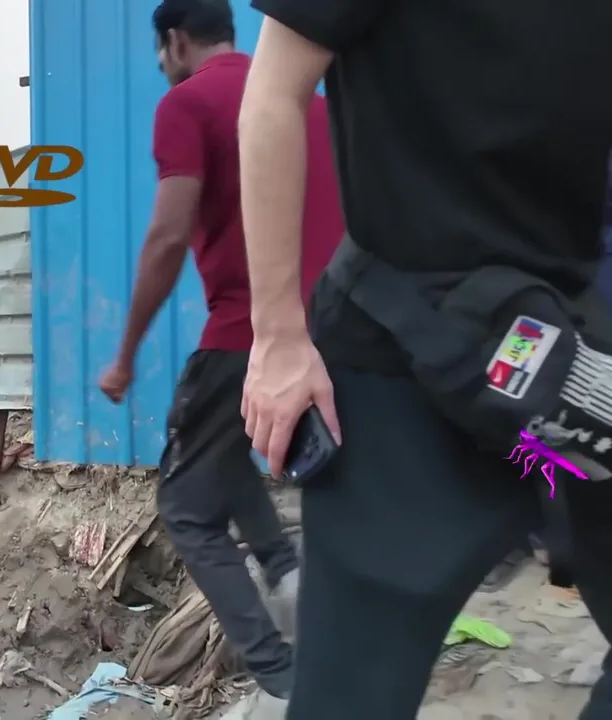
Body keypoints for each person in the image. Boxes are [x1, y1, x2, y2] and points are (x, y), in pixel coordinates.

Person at [235, 0, 612, 716]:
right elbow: (273, 95)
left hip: (559, 367)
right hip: (402, 362)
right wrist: (278, 337)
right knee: (353, 698)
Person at [97, 3, 343, 717]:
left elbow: (168, 236)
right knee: (225, 449)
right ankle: (287, 573)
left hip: (250, 334)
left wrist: (124, 356)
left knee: (185, 509)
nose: (161, 66)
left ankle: (279, 676)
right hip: (329, 333)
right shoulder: (311, 103)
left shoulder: (188, 103)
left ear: (175, 41)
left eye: (160, 52)